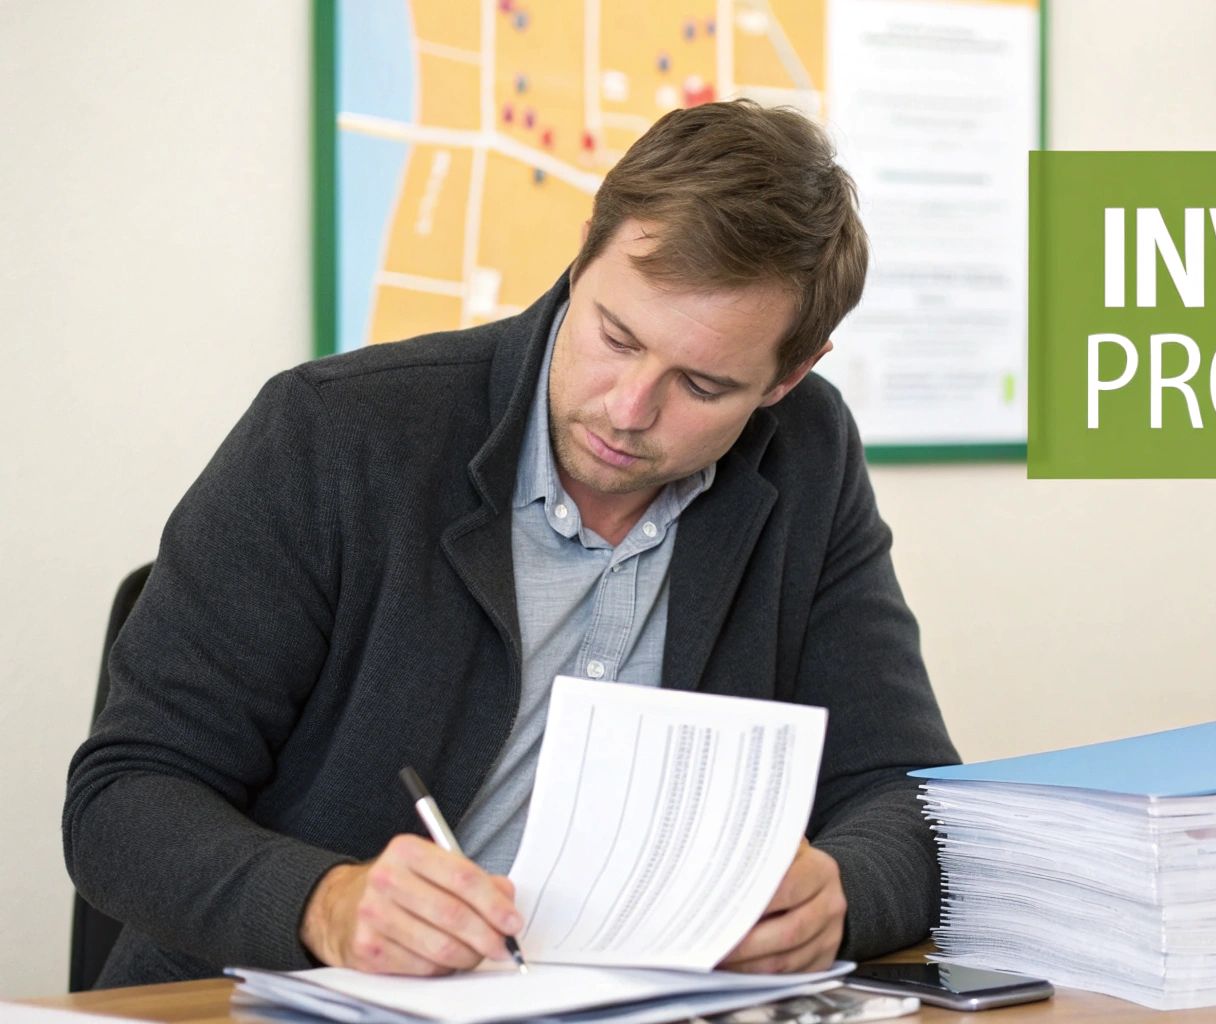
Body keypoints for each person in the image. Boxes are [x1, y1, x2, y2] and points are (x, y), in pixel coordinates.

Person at [64, 99, 959, 988]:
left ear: (788, 375)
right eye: (616, 336)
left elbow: (908, 797)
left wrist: (841, 893)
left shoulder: (807, 454)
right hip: (270, 1000)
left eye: (702, 384)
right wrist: (324, 903)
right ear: (581, 260)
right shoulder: (335, 435)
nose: (628, 409)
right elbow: (123, 799)